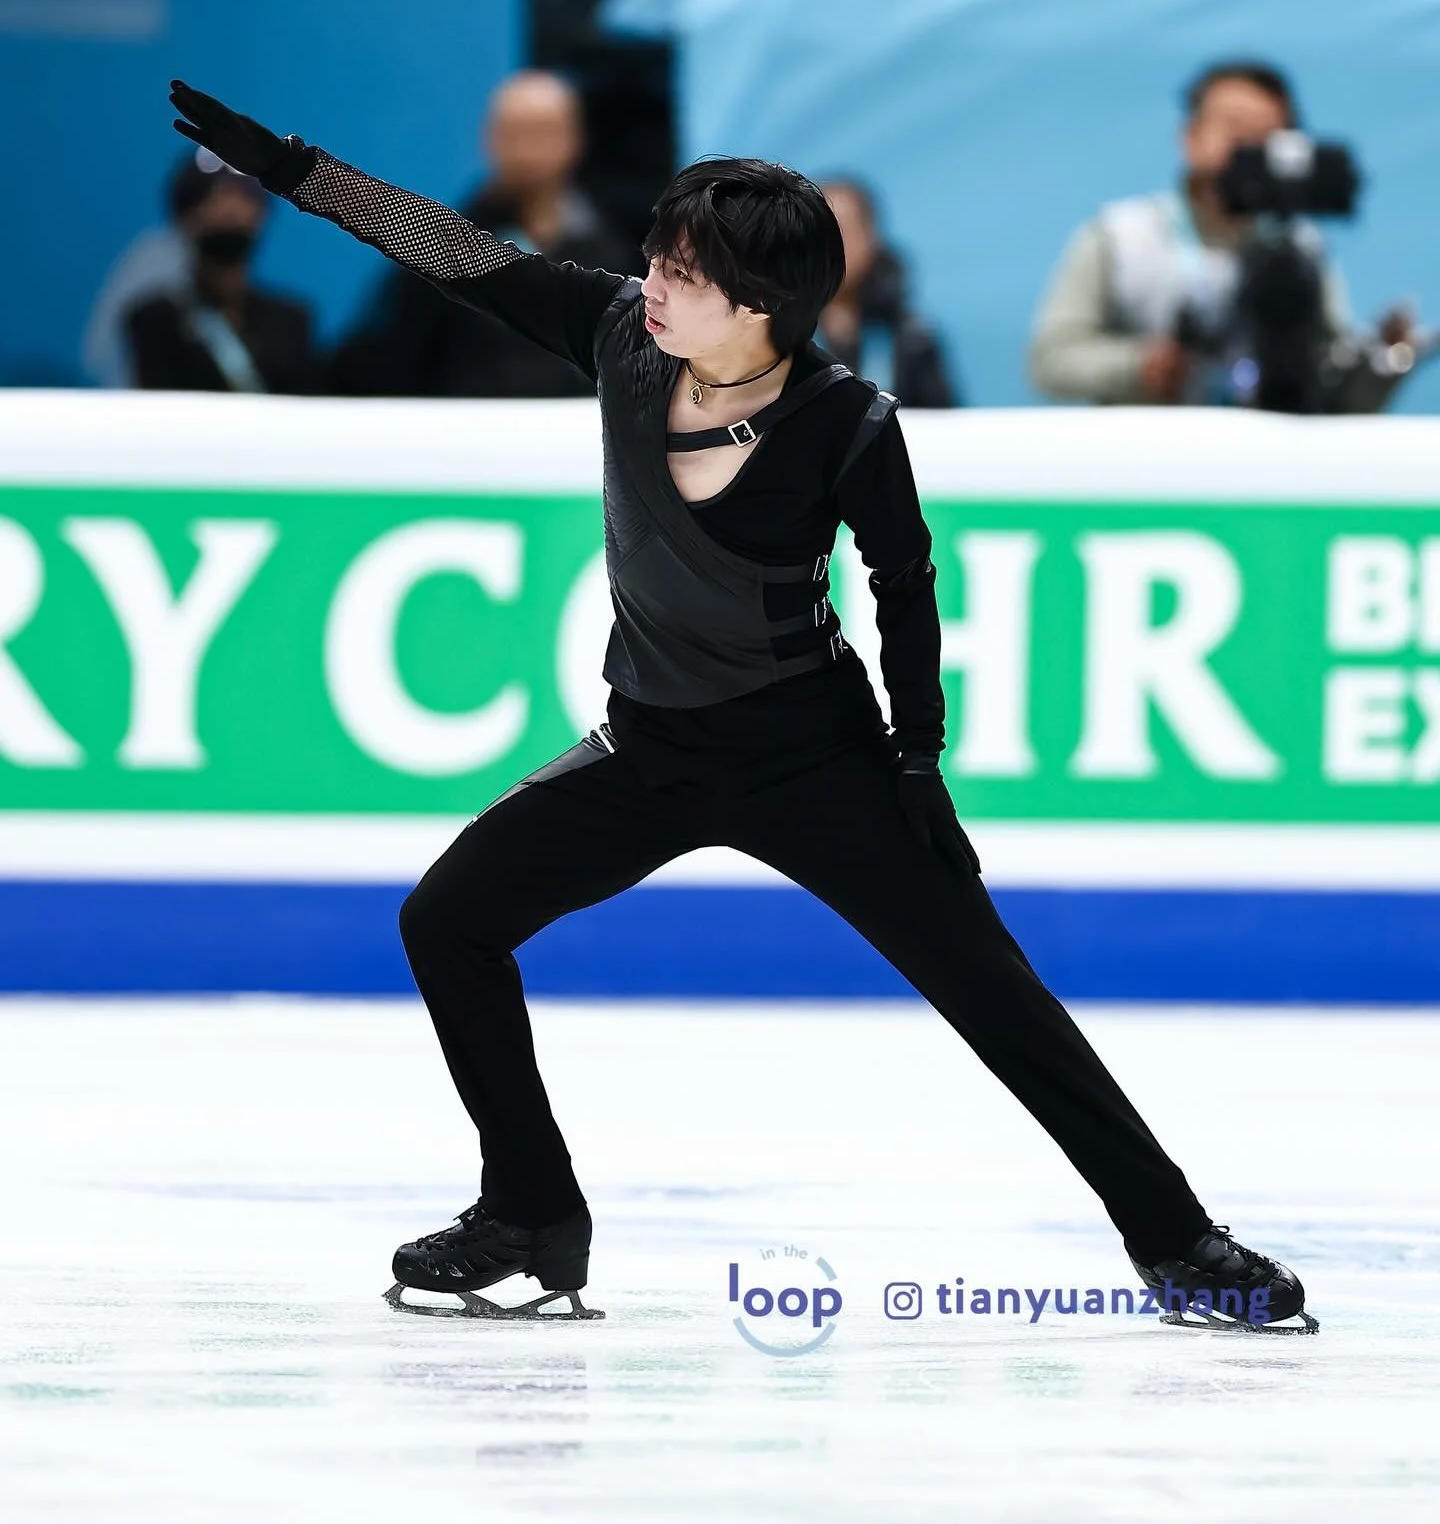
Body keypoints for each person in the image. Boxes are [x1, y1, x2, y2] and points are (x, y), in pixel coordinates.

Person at [168, 77, 1317, 1335]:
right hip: (651, 748)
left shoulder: (845, 423)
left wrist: (917, 757)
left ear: (760, 305)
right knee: (447, 921)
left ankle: (1181, 1245)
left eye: (681, 272)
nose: (649, 282)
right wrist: (292, 170)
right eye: (654, 257)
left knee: (1002, 1002)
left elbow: (904, 580)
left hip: (815, 761)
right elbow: (453, 251)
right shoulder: (614, 335)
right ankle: (533, 1214)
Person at [1028, 60, 1422, 410]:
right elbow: (1051, 360)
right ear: (1190, 136)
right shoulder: (1120, 236)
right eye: (1233, 127)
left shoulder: (1300, 248)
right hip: (1146, 459)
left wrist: (1382, 361)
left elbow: (1333, 377)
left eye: (1264, 132)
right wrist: (1139, 366)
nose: (1246, 144)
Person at [331, 70, 638, 398]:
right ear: (489, 139)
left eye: (543, 132)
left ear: (575, 139)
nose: (527, 151)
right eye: (513, 133)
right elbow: (392, 351)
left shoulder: (614, 253)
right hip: (468, 430)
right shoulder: (441, 243)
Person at [122, 155, 319, 394]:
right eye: (217, 195)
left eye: (246, 195)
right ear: (184, 214)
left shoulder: (291, 321)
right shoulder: (155, 319)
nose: (232, 209)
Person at [816, 178, 959, 407]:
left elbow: (941, 426)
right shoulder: (770, 333)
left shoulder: (911, 339)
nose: (834, 245)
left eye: (845, 231)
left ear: (872, 238)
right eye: (820, 233)